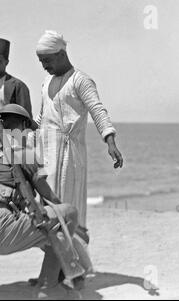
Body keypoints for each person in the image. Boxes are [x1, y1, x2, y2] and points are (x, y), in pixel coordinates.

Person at [0, 103, 82, 296]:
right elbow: (48, 195)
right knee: (67, 214)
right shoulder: (24, 153)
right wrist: (68, 222)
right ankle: (49, 288)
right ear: (22, 126)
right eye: (27, 129)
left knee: (12, 218)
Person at [35, 30, 123, 235]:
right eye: (40, 62)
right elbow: (41, 117)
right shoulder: (46, 83)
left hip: (69, 156)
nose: (44, 66)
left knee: (68, 205)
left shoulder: (80, 80)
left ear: (61, 54)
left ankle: (72, 257)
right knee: (48, 210)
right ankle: (56, 258)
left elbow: (97, 110)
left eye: (47, 60)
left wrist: (110, 141)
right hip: (46, 154)